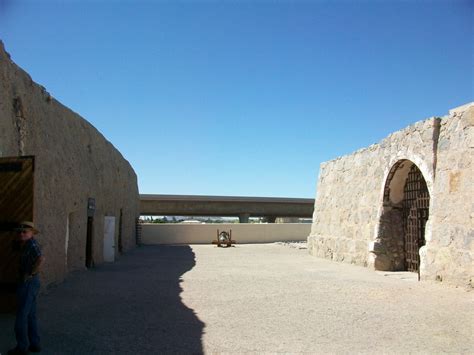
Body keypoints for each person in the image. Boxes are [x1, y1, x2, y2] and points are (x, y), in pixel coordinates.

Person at [8, 221, 45, 355]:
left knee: (21, 316)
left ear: (32, 233)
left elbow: (41, 259)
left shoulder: (32, 244)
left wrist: (31, 273)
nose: (22, 234)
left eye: (25, 232)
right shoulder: (26, 244)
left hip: (28, 283)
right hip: (30, 282)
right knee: (30, 315)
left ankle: (22, 347)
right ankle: (34, 344)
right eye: (20, 232)